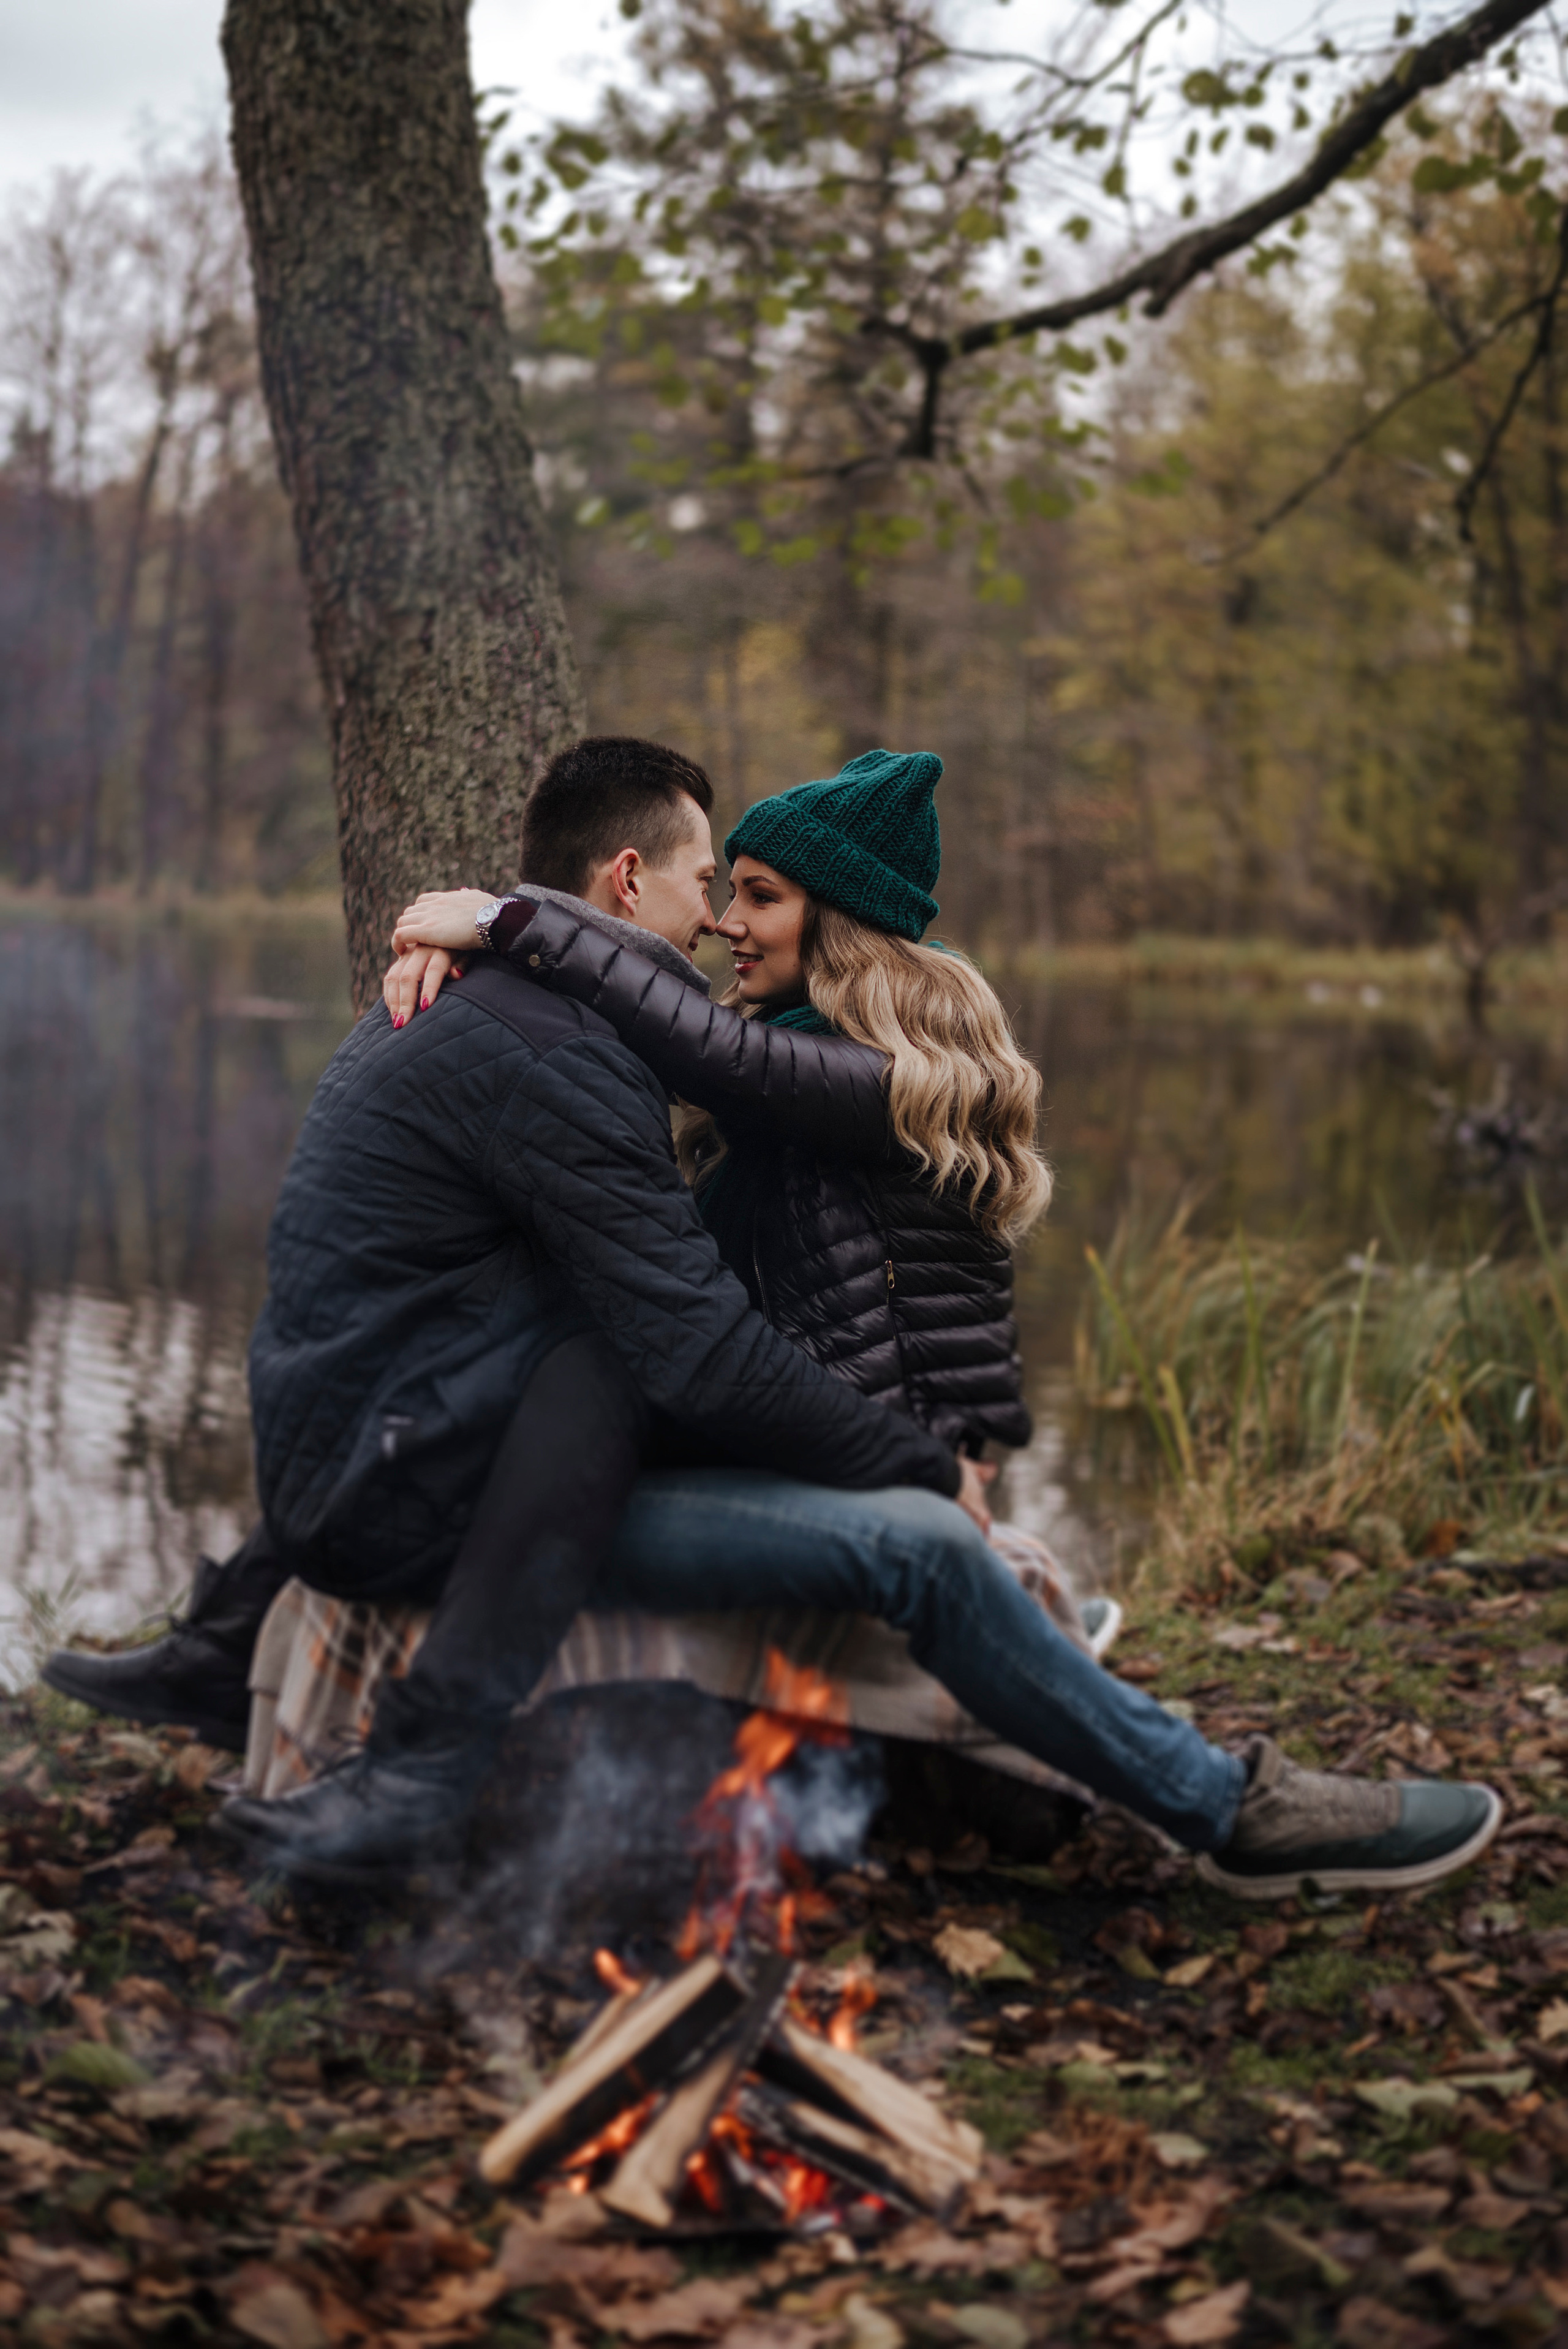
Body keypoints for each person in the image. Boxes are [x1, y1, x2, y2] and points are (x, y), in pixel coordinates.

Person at [209, 741, 1498, 1899]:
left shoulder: (855, 1076)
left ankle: (1172, 1766)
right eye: (715, 884)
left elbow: (748, 1130)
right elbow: (683, 1157)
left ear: (837, 922)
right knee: (926, 1552)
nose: (715, 922)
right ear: (622, 880)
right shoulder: (655, 1044)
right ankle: (1223, 1805)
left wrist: (503, 922)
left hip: (666, 1443)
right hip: (545, 1467)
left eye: (755, 895)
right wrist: (488, 938)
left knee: (931, 1546)